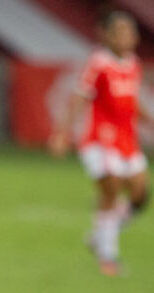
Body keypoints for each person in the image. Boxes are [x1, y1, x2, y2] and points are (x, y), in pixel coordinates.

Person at [49, 10, 151, 276]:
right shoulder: (98, 63)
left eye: (130, 32)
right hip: (101, 139)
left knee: (141, 194)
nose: (127, 37)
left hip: (128, 140)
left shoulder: (133, 64)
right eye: (119, 32)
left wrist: (149, 120)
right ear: (105, 35)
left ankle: (100, 235)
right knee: (112, 189)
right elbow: (79, 98)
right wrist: (62, 133)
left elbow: (132, 102)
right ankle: (108, 255)